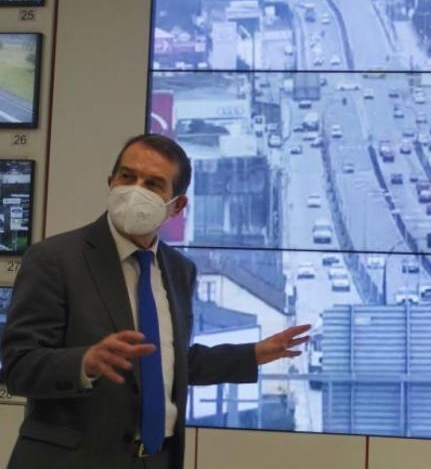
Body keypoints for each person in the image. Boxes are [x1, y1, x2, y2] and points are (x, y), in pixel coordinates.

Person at [0, 134, 311, 469]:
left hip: (155, 459)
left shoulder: (179, 271)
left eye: (153, 184)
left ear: (176, 206)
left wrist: (251, 355)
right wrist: (85, 362)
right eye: (127, 177)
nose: (135, 191)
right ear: (111, 181)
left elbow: (169, 363)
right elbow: (19, 366)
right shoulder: (55, 259)